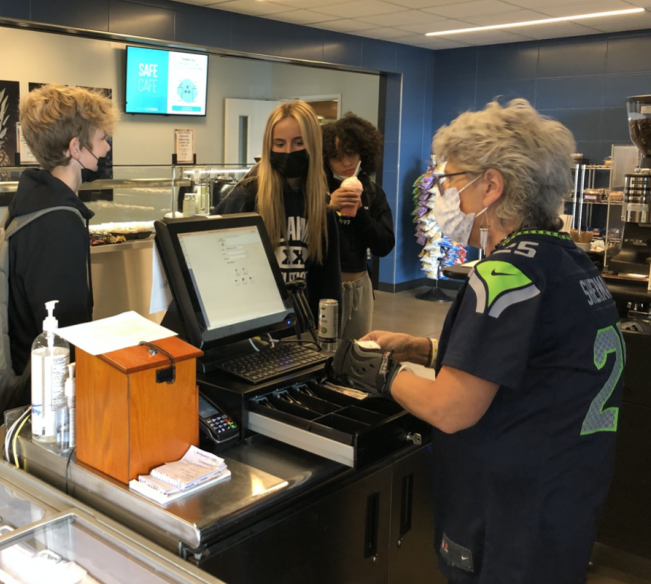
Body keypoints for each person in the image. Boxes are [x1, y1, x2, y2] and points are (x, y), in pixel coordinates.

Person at [345, 99, 623, 583]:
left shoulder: (503, 272)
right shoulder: (566, 261)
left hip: (510, 508)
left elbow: (453, 408)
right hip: (564, 494)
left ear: (491, 185)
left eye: (450, 180)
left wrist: (379, 370)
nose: (442, 194)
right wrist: (423, 349)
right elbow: (536, 362)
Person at [8, 83, 116, 379]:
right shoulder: (60, 223)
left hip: (24, 367)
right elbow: (65, 327)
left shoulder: (30, 200)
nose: (106, 147)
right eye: (102, 138)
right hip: (46, 387)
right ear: (75, 148)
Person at [215, 100, 341, 319]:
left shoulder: (321, 205)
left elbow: (328, 280)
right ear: (269, 146)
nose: (289, 151)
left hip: (304, 327)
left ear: (313, 144)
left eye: (298, 142)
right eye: (280, 144)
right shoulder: (246, 197)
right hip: (255, 326)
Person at [323, 112, 394, 339]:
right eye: (337, 156)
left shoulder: (372, 192)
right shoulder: (318, 192)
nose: (346, 162)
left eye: (351, 154)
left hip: (361, 285)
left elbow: (384, 245)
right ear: (325, 158)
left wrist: (361, 212)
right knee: (322, 355)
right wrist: (328, 206)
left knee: (356, 353)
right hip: (325, 287)